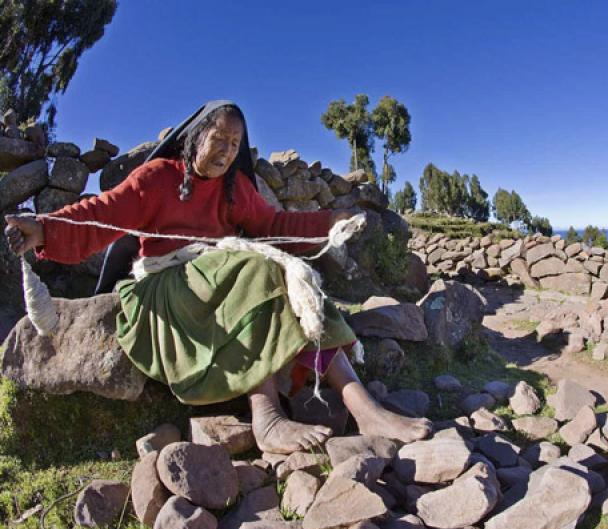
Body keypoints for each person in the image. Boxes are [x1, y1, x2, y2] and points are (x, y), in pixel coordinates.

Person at [4, 101, 432, 453]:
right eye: (219, 139)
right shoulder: (157, 179)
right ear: (194, 138)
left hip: (221, 276)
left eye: (235, 143)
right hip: (165, 287)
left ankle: (363, 408)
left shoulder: (234, 188)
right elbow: (101, 214)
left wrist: (329, 221)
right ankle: (266, 417)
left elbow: (272, 226)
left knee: (291, 275)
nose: (227, 150)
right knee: (256, 270)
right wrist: (43, 228)